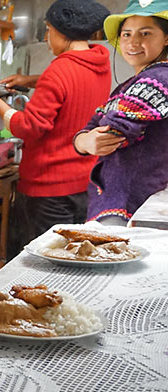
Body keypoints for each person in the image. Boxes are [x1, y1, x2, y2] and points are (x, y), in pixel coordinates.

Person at [0, 0, 111, 254]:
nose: (47, 38)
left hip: (49, 189)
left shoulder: (59, 70)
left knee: (39, 262)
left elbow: (29, 127)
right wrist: (31, 80)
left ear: (62, 32)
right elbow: (74, 84)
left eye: (48, 30)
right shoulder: (99, 63)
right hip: (83, 185)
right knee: (70, 259)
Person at [73, 0, 168, 224]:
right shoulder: (130, 84)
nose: (133, 42)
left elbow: (112, 131)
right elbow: (91, 129)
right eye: (126, 34)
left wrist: (87, 139)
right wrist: (85, 140)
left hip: (131, 205)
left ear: (166, 38)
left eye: (145, 33)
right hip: (118, 201)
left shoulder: (159, 79)